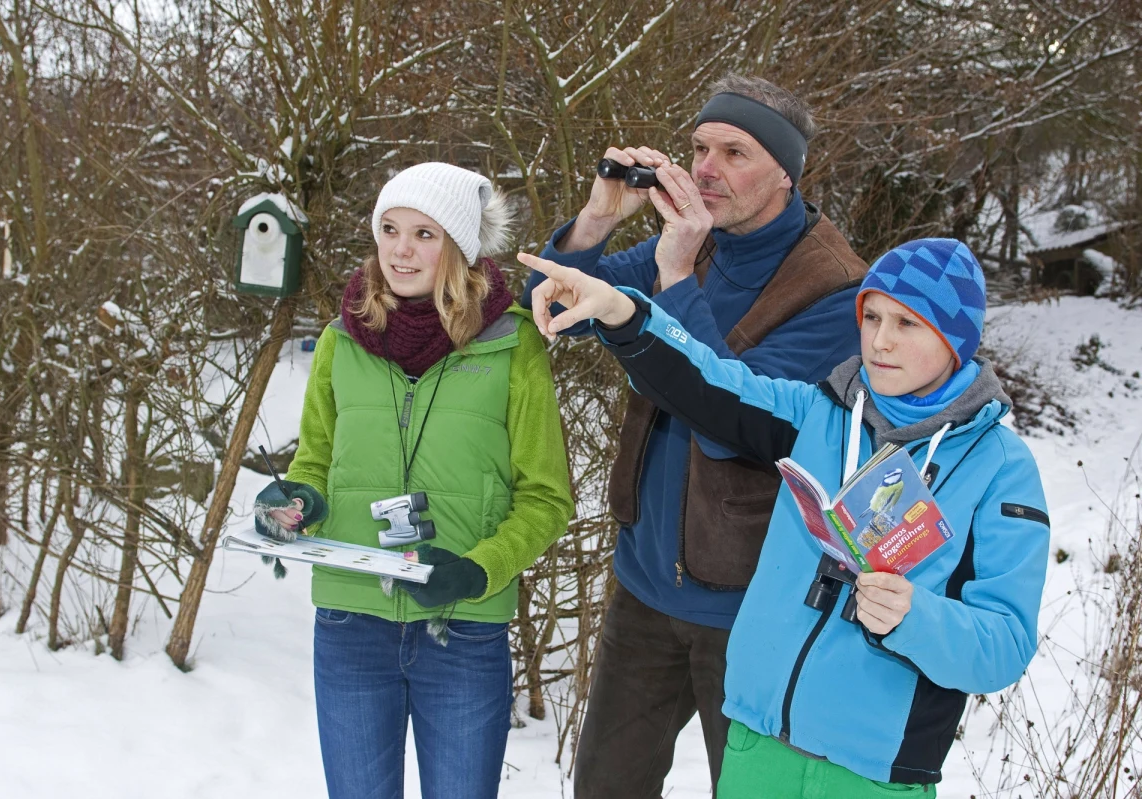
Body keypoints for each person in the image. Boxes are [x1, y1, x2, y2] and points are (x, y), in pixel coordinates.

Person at [520, 237, 1050, 798]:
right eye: (871, 317)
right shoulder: (819, 412)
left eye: (907, 323)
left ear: (955, 340)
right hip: (757, 745)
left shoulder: (1000, 467)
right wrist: (623, 312)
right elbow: (709, 382)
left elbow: (1006, 644)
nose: (880, 340)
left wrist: (914, 617)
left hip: (873, 775)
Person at [521, 73, 868, 795]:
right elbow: (553, 304)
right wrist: (597, 219)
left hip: (750, 604)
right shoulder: (699, 240)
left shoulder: (836, 291)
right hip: (644, 586)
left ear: (786, 172)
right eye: (700, 148)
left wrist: (675, 275)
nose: (706, 169)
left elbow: (735, 420)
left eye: (734, 153)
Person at [253, 162, 574, 799]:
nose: (401, 250)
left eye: (424, 234)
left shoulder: (512, 344)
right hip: (350, 622)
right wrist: (298, 498)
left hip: (463, 629)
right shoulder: (342, 341)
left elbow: (546, 498)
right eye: (390, 229)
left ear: (460, 245)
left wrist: (478, 570)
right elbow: (315, 462)